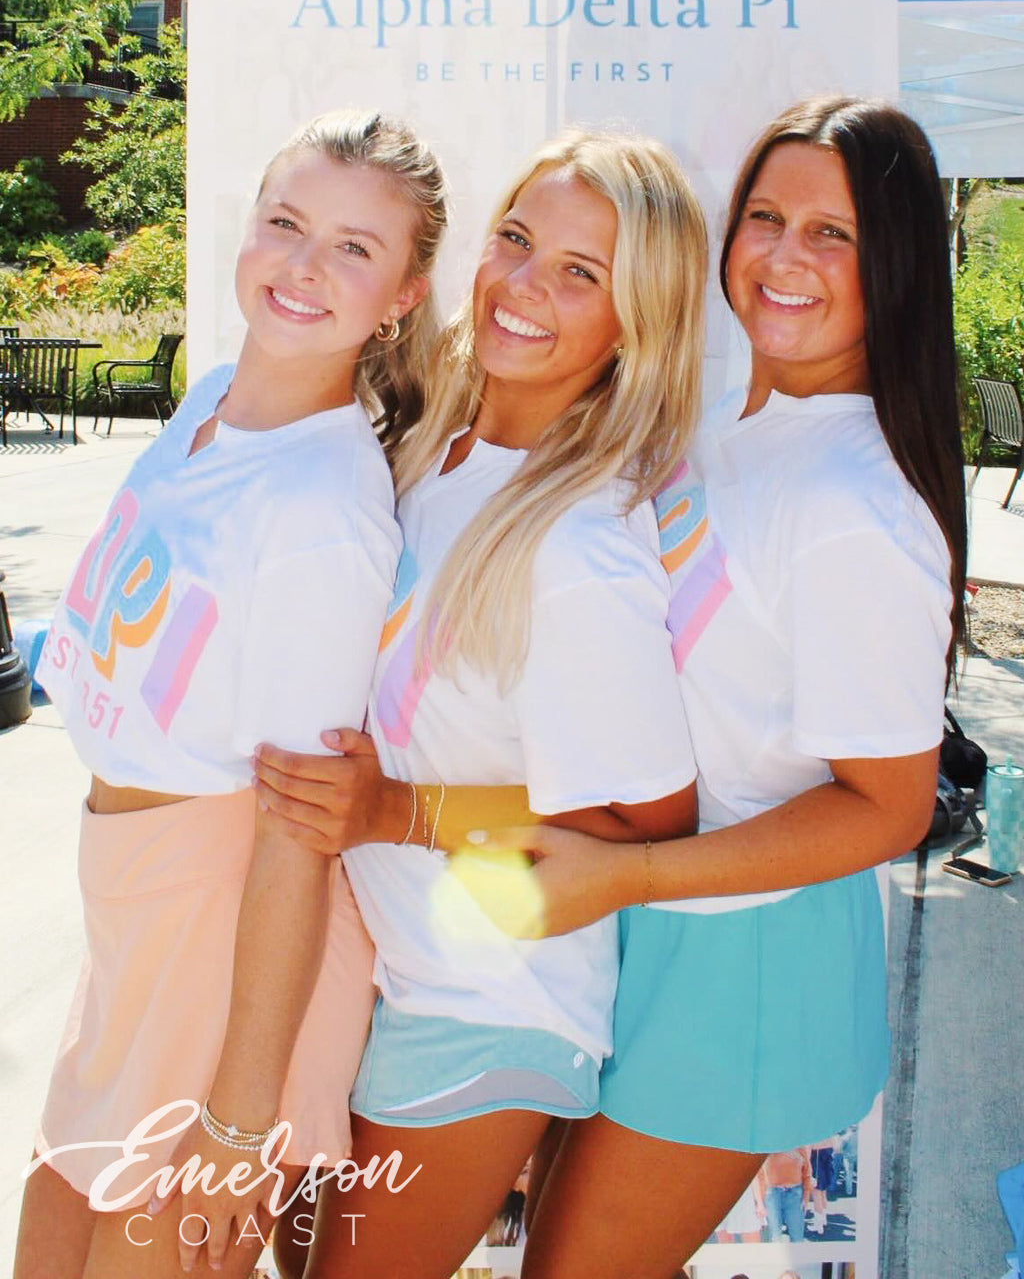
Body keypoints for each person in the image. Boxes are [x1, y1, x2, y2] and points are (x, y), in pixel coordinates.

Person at [460, 97, 965, 1278]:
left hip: (742, 960)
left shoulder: (855, 507)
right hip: (642, 919)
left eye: (832, 234)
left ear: (895, 261)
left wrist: (627, 876)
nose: (784, 256)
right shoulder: (737, 430)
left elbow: (888, 807)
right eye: (765, 218)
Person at [259, 128, 708, 1279]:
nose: (523, 284)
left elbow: (648, 824)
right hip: (366, 960)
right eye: (516, 239)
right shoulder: (430, 451)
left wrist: (397, 812)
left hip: (486, 1000)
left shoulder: (582, 546)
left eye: (580, 272)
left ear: (637, 321)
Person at [13, 109, 448, 1279]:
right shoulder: (211, 400)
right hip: (137, 918)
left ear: (401, 297)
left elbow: (296, 828)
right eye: (286, 223)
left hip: (227, 937)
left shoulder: (322, 507)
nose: (304, 266)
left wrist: (240, 1123)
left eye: (355, 248)